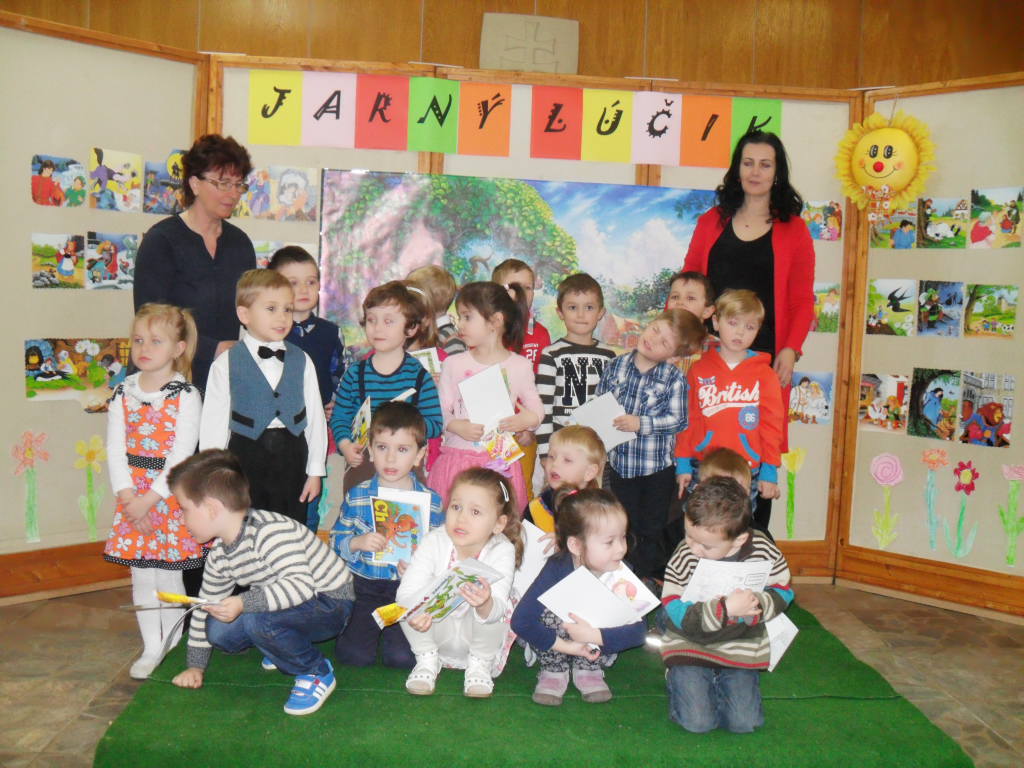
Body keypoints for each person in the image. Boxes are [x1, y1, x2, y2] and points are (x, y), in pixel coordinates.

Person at [682, 130, 813, 531]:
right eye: (748, 162)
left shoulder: (794, 229)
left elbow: (802, 300)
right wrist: (685, 341)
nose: (756, 172)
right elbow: (690, 286)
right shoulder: (711, 222)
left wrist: (790, 349)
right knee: (705, 444)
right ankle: (704, 550)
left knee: (758, 449)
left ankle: (752, 553)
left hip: (765, 361)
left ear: (778, 172)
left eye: (765, 164)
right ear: (737, 169)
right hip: (712, 357)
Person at [168, 450, 353, 716]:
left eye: (184, 509)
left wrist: (243, 603)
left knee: (258, 620)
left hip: (331, 602)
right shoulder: (220, 554)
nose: (181, 519)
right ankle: (277, 644)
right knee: (218, 632)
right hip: (291, 603)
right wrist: (195, 666)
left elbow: (299, 586)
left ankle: (316, 672)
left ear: (211, 508)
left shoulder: (270, 532)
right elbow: (204, 606)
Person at [102, 303, 204, 679]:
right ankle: (151, 647)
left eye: (156, 341)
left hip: (168, 495)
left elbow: (181, 454)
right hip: (132, 499)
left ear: (178, 348)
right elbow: (115, 449)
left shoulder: (186, 395)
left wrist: (150, 499)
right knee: (142, 574)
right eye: (139, 340)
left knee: (168, 575)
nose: (144, 348)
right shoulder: (123, 392)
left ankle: (171, 645)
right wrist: (129, 498)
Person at [659, 477, 793, 733]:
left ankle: (719, 678)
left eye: (706, 545)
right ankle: (679, 675)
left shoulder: (762, 549)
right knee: (698, 723)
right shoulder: (684, 553)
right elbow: (672, 606)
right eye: (689, 536)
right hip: (691, 644)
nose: (693, 548)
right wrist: (724, 610)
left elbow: (783, 591)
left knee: (744, 723)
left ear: (739, 539)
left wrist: (754, 604)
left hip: (739, 646)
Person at [199, 269, 327, 526]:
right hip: (245, 456)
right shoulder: (226, 363)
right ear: (244, 314)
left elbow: (315, 418)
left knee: (290, 528)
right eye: (271, 309)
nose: (282, 317)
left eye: (287, 309)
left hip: (292, 457)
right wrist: (214, 475)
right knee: (245, 529)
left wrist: (314, 471)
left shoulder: (302, 360)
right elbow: (214, 424)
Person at [133, 134, 257, 391]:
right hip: (166, 378)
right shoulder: (162, 240)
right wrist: (213, 348)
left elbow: (251, 309)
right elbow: (151, 320)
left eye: (238, 185)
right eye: (223, 183)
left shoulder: (240, 244)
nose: (233, 193)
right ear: (195, 184)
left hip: (221, 379)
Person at [595, 309, 705, 581]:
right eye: (655, 329)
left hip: (656, 471)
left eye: (664, 342)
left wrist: (641, 423)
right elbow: (599, 402)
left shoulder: (673, 378)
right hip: (620, 467)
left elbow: (678, 420)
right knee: (622, 526)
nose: (653, 339)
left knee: (651, 529)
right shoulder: (616, 365)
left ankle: (645, 582)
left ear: (674, 356)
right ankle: (622, 579)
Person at [331, 402, 443, 668]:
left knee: (402, 659)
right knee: (353, 656)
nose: (391, 459)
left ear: (419, 455)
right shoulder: (358, 495)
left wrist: (423, 567)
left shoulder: (432, 502)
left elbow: (442, 552)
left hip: (407, 592)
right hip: (364, 589)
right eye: (382, 448)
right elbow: (335, 539)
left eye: (402, 449)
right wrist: (356, 542)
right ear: (370, 451)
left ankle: (392, 633)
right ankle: (359, 626)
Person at [512, 488, 645, 706]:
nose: (621, 549)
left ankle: (589, 667)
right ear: (575, 545)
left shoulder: (621, 574)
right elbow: (521, 621)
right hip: (559, 644)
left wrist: (595, 635)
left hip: (597, 646)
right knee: (548, 611)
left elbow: (638, 632)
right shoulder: (556, 569)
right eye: (609, 542)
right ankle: (554, 668)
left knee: (608, 608)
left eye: (623, 537)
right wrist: (566, 647)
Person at [397, 467, 522, 698]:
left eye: (475, 512)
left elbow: (497, 608)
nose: (462, 518)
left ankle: (480, 664)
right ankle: (426, 659)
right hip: (435, 630)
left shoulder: (502, 549)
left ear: (498, 524)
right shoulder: (434, 540)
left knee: (501, 608)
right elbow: (407, 592)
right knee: (403, 606)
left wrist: (484, 603)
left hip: (476, 637)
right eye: (456, 507)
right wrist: (417, 611)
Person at [429, 281, 544, 508]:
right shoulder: (454, 363)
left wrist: (526, 420)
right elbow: (440, 408)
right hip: (457, 461)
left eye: (467, 317)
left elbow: (537, 410)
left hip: (499, 464)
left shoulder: (519, 366)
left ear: (495, 321)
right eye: (459, 317)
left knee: (497, 521)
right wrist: (455, 425)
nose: (460, 324)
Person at [675, 290, 783, 513]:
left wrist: (770, 469)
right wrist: (683, 462)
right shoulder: (699, 370)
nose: (740, 332)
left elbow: (772, 425)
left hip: (746, 469)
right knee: (700, 521)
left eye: (750, 327)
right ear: (716, 322)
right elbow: (688, 419)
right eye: (733, 323)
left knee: (737, 525)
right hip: (703, 465)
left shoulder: (765, 375)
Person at [330, 281, 443, 488]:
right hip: (363, 465)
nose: (378, 328)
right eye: (371, 320)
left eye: (388, 321)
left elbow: (435, 425)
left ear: (410, 328)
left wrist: (405, 423)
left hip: (406, 468)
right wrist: (345, 444)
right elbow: (340, 417)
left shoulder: (419, 376)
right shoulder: (355, 374)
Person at [269, 246, 345, 530]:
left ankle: (306, 547)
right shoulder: (268, 333)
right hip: (275, 435)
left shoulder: (330, 332)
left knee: (308, 505)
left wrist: (335, 403)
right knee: (273, 504)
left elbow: (339, 374)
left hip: (314, 433)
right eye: (293, 282)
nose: (303, 289)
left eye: (311, 282)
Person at [534, 273, 616, 463]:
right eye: (572, 307)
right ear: (560, 312)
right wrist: (546, 454)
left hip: (597, 450)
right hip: (561, 449)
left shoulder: (609, 356)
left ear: (600, 313)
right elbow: (543, 407)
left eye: (589, 307)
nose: (580, 315)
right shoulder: (551, 354)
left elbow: (612, 405)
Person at [492, 259, 551, 498]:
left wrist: (530, 427)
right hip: (490, 430)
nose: (523, 293)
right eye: (515, 287)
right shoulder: (487, 332)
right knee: (491, 488)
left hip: (524, 430)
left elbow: (542, 387)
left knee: (520, 489)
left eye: (528, 287)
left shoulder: (540, 334)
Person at [526, 425, 605, 535]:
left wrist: (562, 541)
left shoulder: (600, 512)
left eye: (567, 460)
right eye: (551, 456)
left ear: (589, 472)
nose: (555, 464)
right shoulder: (536, 508)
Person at [665, 270, 718, 376]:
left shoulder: (719, 349)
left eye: (690, 298)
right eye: (675, 297)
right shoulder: (652, 340)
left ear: (707, 311)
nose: (680, 302)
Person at [406, 264, 465, 356]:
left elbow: (458, 364)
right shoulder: (420, 333)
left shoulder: (450, 338)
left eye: (411, 298)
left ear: (425, 302)